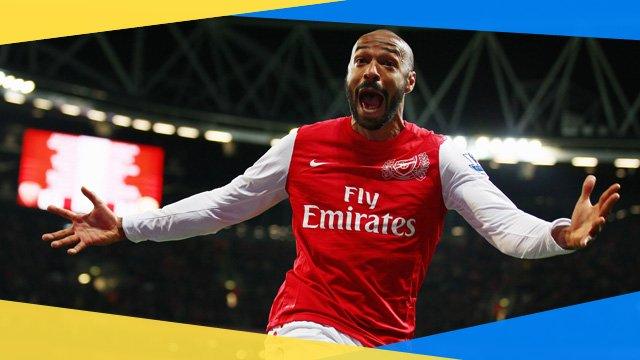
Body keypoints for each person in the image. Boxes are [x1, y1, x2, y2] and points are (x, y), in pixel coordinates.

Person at [41, 29, 621, 347]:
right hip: (306, 321)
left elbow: (505, 228)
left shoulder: (439, 157)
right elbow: (223, 205)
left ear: (408, 81)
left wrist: (560, 234)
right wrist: (130, 225)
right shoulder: (304, 145)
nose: (371, 70)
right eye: (360, 61)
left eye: (387, 62)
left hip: (386, 334)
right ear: (349, 77)